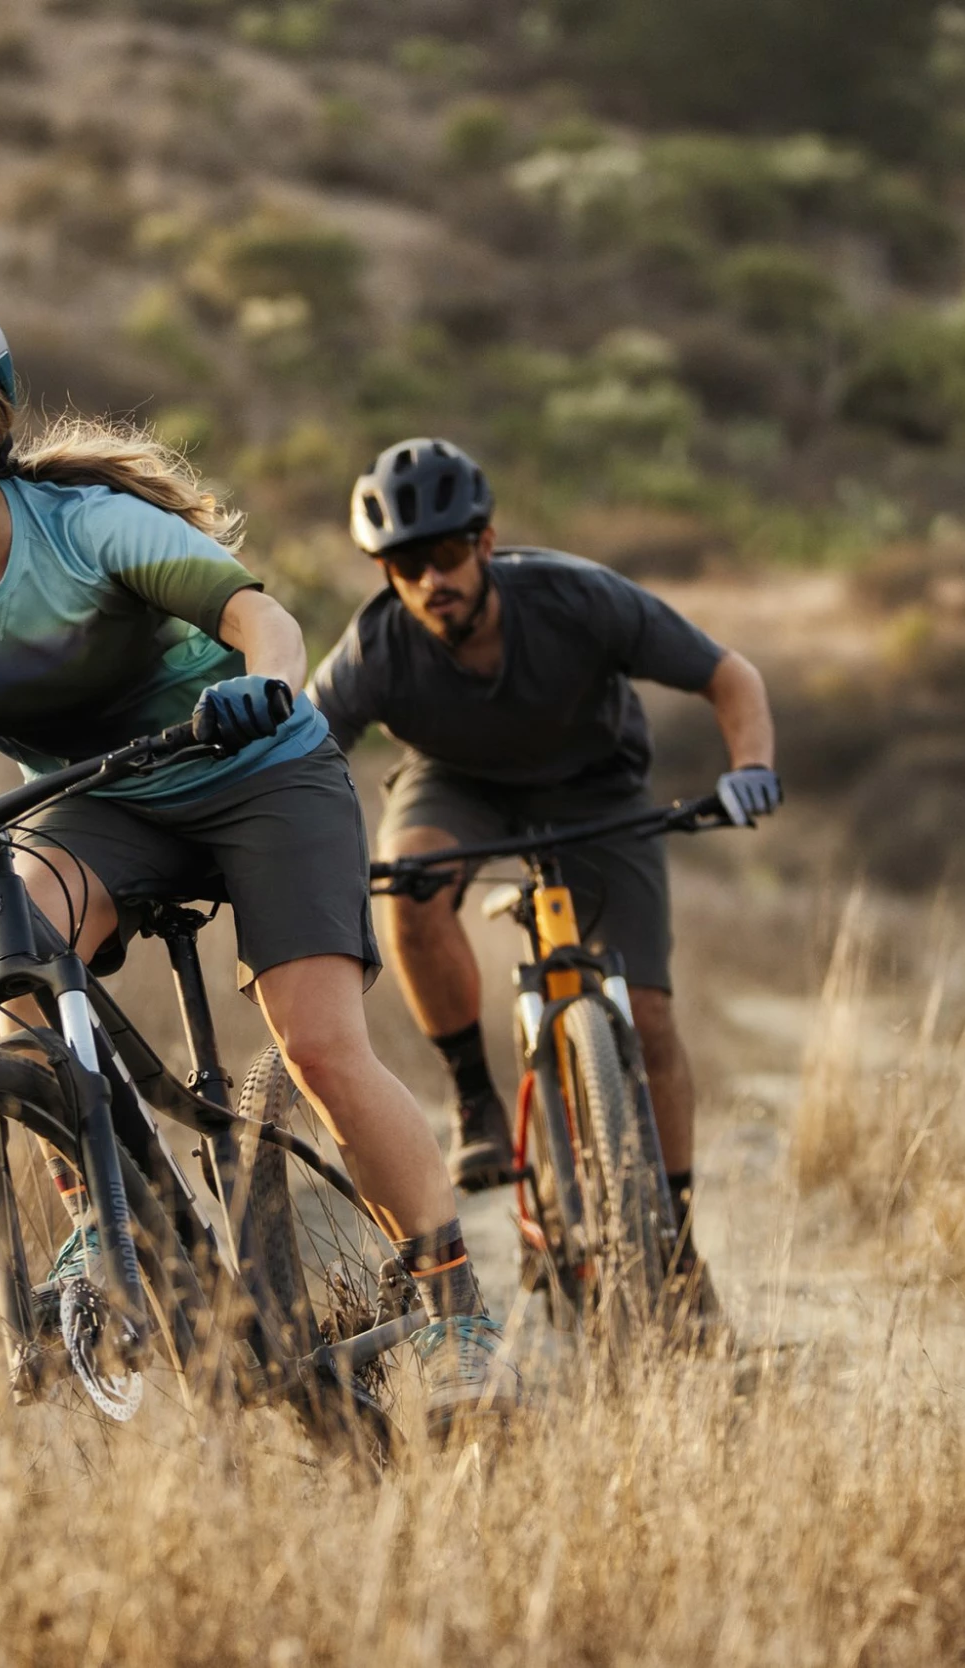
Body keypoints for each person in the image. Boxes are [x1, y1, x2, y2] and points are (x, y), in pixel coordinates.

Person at [0, 283, 515, 1436]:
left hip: (258, 772)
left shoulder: (80, 526)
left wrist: (264, 688)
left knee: (316, 1043)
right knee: (22, 941)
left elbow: (257, 619)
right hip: (105, 801)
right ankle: (98, 1222)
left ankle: (452, 1303)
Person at [308, 437, 780, 1331]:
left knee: (649, 1008)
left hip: (596, 786)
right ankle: (476, 1100)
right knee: (406, 888)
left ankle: (672, 1239)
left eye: (447, 553)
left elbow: (729, 674)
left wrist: (750, 766)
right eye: (406, 564)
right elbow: (299, 744)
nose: (430, 579)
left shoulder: (576, 597)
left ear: (486, 543)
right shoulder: (376, 648)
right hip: (458, 784)